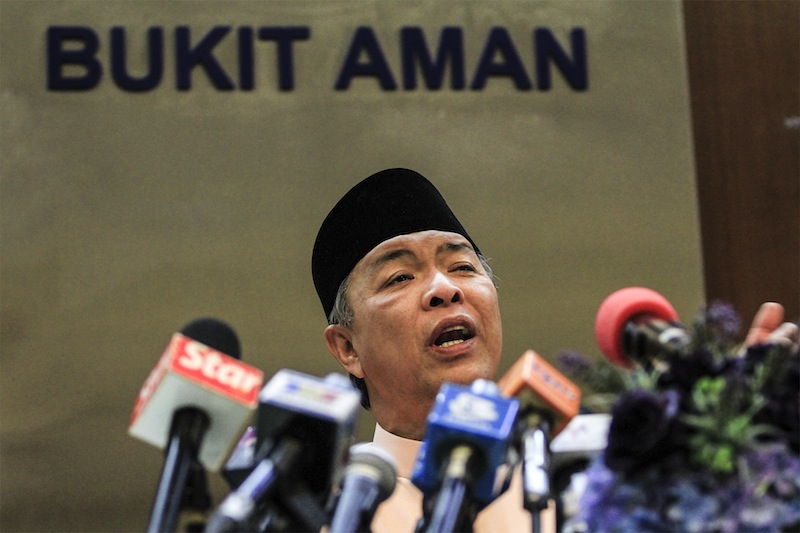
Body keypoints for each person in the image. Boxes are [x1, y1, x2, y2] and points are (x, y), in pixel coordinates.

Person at [311, 167, 798, 532]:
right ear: (347, 348)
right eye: (400, 277)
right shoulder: (324, 508)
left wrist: (735, 444)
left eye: (462, 267)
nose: (444, 288)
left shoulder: (591, 477)